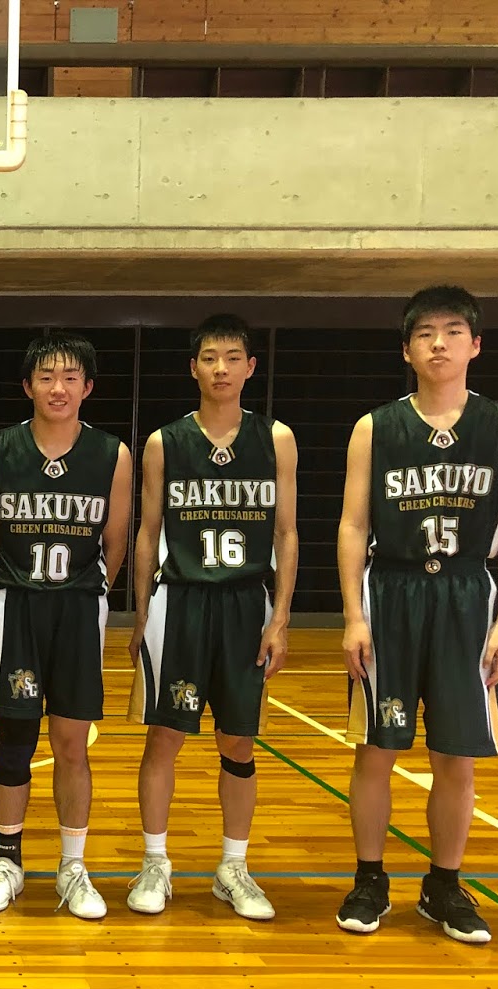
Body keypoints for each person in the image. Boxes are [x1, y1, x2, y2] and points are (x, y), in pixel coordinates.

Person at [337, 285, 498, 944]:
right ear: (407, 350)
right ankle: (369, 879)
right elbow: (352, 524)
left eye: (452, 332)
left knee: (457, 756)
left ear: (475, 344)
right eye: (425, 334)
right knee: (376, 749)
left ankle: (444, 885)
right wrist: (353, 615)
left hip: (466, 596)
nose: (439, 344)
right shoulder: (375, 427)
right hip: (390, 592)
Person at [125, 314, 298, 921]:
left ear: (251, 367)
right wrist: (141, 613)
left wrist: (280, 619)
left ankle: (233, 867)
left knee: (238, 741)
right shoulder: (164, 442)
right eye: (209, 358)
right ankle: (155, 862)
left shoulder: (275, 438)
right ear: (192, 368)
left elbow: (286, 532)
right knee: (164, 736)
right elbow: (147, 533)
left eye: (232, 357)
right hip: (181, 601)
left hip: (247, 603)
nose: (221, 368)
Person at [0, 333, 132, 919]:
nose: (57, 388)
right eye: (46, 377)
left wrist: (86, 593)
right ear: (27, 386)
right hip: (15, 606)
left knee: (70, 744)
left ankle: (73, 866)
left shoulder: (112, 454)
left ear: (88, 387)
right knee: (14, 741)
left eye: (69, 378)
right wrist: (0, 592)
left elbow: (115, 543)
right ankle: (7, 862)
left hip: (78, 608)